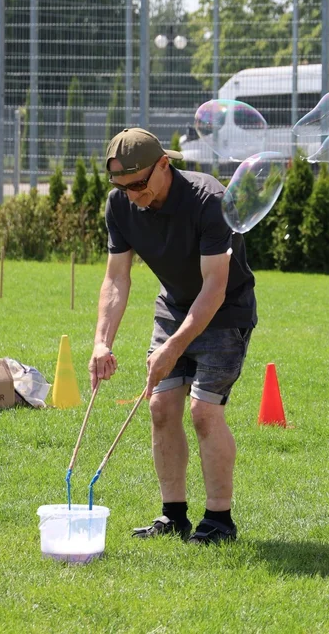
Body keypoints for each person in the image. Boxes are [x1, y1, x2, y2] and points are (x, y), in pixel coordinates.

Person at [89, 128, 257, 545]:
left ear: (165, 164)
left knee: (203, 412)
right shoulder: (120, 206)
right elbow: (116, 279)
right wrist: (101, 342)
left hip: (223, 311)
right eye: (120, 186)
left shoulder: (209, 201)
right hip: (173, 308)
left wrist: (173, 347)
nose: (130, 194)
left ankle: (219, 521)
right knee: (161, 407)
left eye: (138, 184)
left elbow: (214, 287)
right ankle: (173, 516)